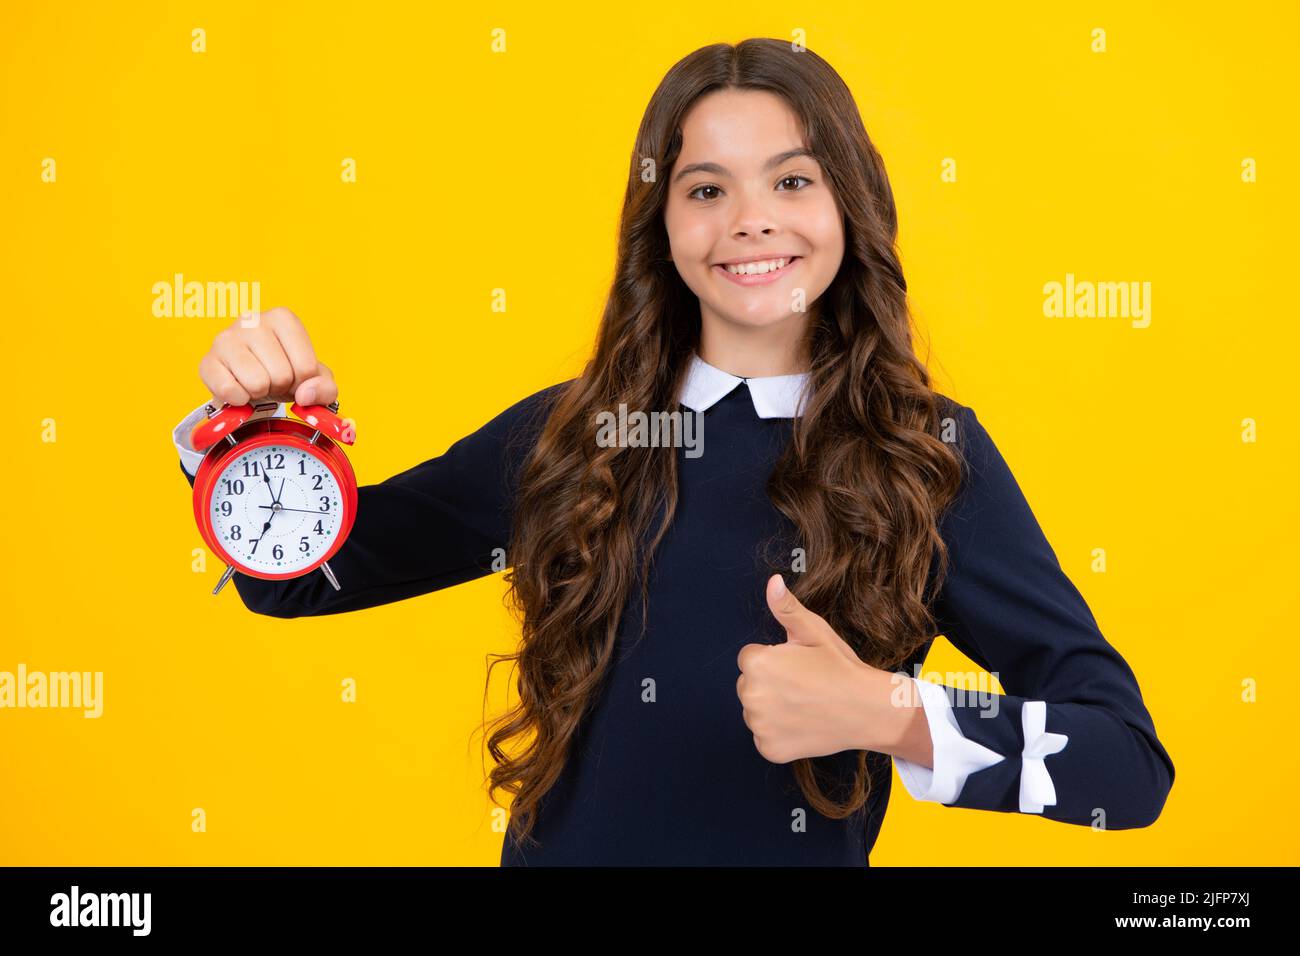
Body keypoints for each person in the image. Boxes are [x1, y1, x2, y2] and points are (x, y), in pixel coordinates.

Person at [171, 38, 1174, 866]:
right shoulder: (570, 433)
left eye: (791, 178)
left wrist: (889, 711)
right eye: (705, 188)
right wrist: (262, 438)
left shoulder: (925, 455)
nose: (750, 218)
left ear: (847, 204)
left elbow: (1123, 769)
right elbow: (300, 579)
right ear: (660, 221)